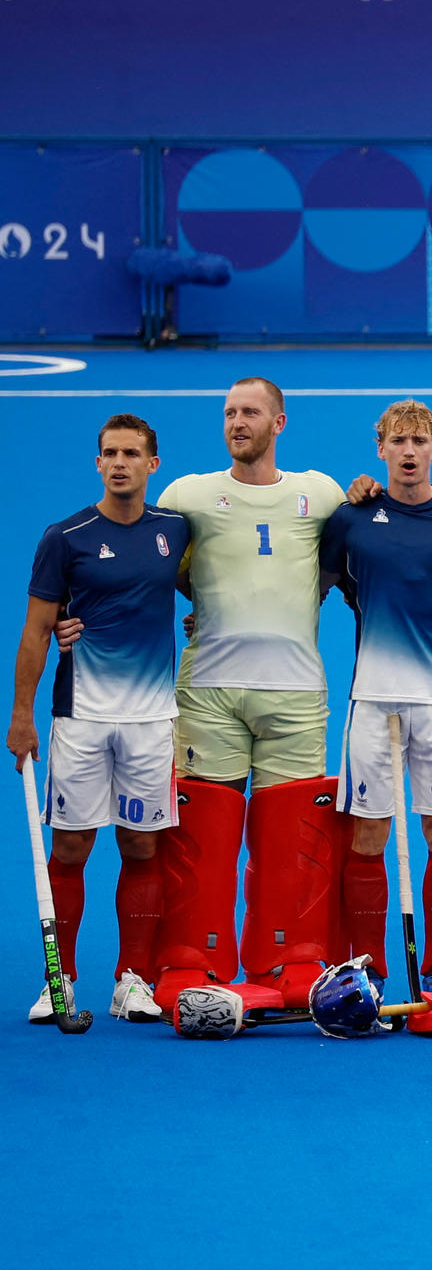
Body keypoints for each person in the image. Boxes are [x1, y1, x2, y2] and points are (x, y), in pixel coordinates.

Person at [318, 402, 432, 996]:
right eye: (399, 441)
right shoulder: (351, 518)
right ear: (381, 449)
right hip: (372, 701)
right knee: (368, 837)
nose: (410, 451)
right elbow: (322, 588)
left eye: (421, 441)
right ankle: (371, 969)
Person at [11, 415, 184, 1021]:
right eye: (109, 453)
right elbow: (36, 630)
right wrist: (21, 715)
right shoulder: (67, 537)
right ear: (98, 463)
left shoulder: (174, 530)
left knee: (141, 847)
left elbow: (207, 588)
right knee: (71, 849)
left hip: (151, 719)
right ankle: (59, 983)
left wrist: (196, 621)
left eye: (132, 454)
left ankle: (132, 979)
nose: (119, 463)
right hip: (80, 717)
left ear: (151, 465)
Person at [158, 377, 347, 793]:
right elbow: (142, 563)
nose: (236, 423)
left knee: (288, 850)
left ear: (278, 423)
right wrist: (207, 601)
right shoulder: (186, 496)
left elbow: (367, 555)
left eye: (249, 413)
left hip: (295, 694)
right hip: (209, 692)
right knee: (203, 845)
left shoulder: (320, 493)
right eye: (229, 413)